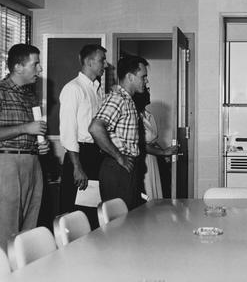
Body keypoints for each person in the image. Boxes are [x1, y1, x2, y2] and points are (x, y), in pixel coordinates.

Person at [0, 44, 50, 250]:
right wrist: (26, 128)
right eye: (35, 64)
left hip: (32, 162)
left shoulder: (30, 95)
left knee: (29, 229)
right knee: (6, 230)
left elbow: (32, 131)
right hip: (8, 164)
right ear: (18, 67)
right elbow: (27, 128)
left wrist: (40, 145)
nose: (40, 69)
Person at [89, 55, 149, 210]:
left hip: (126, 167)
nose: (146, 81)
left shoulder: (128, 100)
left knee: (130, 219)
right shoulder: (118, 99)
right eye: (143, 77)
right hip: (117, 168)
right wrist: (119, 156)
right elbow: (95, 127)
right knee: (120, 224)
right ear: (130, 76)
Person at [59, 44, 107, 227]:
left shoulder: (97, 90)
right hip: (79, 156)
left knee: (92, 212)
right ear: (88, 61)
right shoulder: (73, 89)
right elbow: (68, 131)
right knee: (75, 214)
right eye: (102, 59)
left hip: (96, 155)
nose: (105, 64)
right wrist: (77, 166)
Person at [133, 89, 177, 199]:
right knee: (146, 191)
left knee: (154, 190)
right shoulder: (134, 116)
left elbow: (152, 140)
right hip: (142, 159)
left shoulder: (148, 115)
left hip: (152, 159)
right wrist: (162, 152)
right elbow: (141, 144)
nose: (148, 92)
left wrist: (165, 152)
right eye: (145, 91)